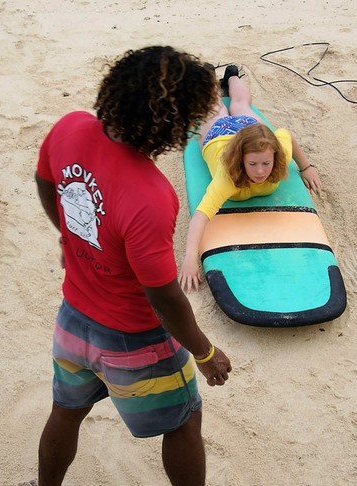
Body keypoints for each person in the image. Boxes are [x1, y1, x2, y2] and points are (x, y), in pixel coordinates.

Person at [34, 46, 233, 486]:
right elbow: (163, 295)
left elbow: (45, 180)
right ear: (173, 123)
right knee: (184, 421)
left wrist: (69, 236)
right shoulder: (150, 196)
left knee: (65, 411)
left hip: (72, 322)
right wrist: (204, 351)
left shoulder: (70, 127)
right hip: (132, 340)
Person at [178, 65, 323, 292]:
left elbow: (286, 135)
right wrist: (189, 259)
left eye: (266, 163)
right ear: (241, 161)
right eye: (252, 165)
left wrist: (306, 167)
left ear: (274, 157)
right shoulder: (228, 177)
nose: (260, 171)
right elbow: (200, 217)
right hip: (219, 135)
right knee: (214, 108)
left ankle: (232, 75)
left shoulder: (276, 155)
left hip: (251, 131)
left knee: (240, 105)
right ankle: (207, 75)